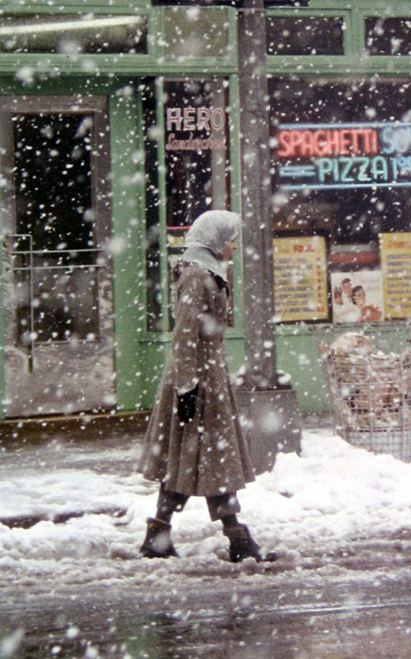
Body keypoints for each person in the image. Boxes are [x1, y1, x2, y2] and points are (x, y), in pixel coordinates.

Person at [138, 209, 271, 563]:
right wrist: (187, 388)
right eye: (230, 240)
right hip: (198, 380)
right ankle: (235, 538)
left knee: (196, 459)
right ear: (214, 240)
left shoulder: (206, 271)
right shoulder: (196, 276)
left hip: (207, 377)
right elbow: (185, 336)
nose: (233, 247)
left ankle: (163, 535)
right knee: (208, 459)